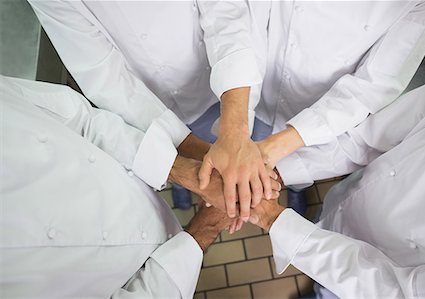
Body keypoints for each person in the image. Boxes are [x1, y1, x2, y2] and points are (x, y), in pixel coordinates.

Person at [0, 75, 280, 297]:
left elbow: (82, 120)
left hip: (140, 181)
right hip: (141, 276)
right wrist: (203, 228)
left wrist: (187, 173)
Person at [27, 0, 273, 219]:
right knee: (180, 158)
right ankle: (184, 187)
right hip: (149, 102)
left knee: (225, 153)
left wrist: (233, 132)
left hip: (223, 81)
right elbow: (105, 77)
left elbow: (224, 11)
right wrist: (203, 171)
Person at [201, 1, 425, 212]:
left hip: (326, 104)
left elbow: (376, 82)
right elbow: (245, 15)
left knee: (295, 161)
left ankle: (293, 187)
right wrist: (235, 129)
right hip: (260, 74)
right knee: (253, 139)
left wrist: (273, 151)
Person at [249, 73, 425, 298]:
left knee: (328, 292)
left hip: (364, 284)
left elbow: (394, 292)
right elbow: (370, 136)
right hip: (346, 203)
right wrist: (279, 171)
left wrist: (274, 219)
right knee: (322, 226)